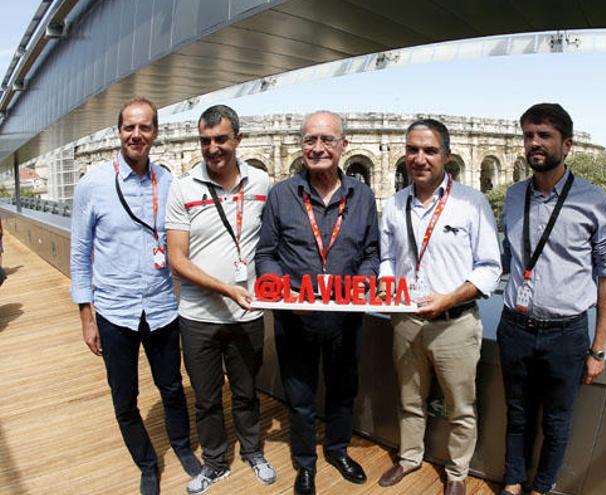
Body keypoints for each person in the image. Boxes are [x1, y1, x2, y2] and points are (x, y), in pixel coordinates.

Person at [69, 97, 200, 495]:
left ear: (155, 133)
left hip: (161, 308)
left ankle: (180, 445)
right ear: (119, 131)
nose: (136, 135)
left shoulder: (168, 181)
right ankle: (146, 461)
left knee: (172, 387)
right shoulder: (93, 183)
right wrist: (86, 318)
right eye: (129, 127)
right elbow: (79, 252)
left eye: (144, 127)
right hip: (114, 312)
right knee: (125, 397)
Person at [255, 110, 379, 495]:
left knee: (343, 391)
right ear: (301, 146)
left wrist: (361, 285)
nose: (318, 147)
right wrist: (283, 292)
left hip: (346, 319)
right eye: (310, 140)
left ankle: (338, 451)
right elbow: (266, 255)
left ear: (343, 146)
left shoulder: (363, 196)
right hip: (295, 318)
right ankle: (305, 464)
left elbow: (372, 254)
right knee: (300, 397)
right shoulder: (281, 195)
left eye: (327, 140)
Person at [497, 103, 606, 495]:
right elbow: (505, 259)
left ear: (566, 145)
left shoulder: (594, 200)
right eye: (529, 135)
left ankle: (541, 487)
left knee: (557, 421)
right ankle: (514, 481)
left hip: (565, 334)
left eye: (544, 135)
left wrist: (598, 348)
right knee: (517, 415)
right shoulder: (514, 197)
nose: (534, 143)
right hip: (515, 326)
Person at [377, 118, 501, 495]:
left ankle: (457, 472)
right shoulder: (396, 204)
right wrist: (386, 280)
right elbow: (386, 257)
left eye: (429, 150)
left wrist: (447, 298)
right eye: (413, 149)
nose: (420, 158)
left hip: (454, 324)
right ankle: (409, 458)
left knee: (460, 406)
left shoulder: (471, 203)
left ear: (446, 155)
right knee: (409, 398)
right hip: (406, 320)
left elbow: (491, 268)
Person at [165, 104, 275, 494]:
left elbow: (275, 245)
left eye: (221, 139)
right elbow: (176, 259)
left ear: (238, 140)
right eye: (205, 140)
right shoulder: (182, 188)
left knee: (247, 392)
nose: (212, 148)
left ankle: (252, 451)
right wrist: (228, 289)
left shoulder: (262, 184)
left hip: (247, 316)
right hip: (198, 316)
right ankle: (214, 464)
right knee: (207, 399)